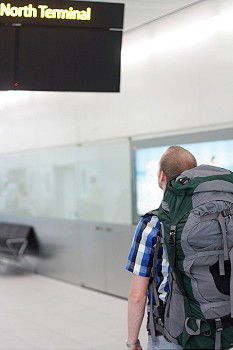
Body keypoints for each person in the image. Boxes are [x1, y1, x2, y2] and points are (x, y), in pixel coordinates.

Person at [125, 145, 197, 350]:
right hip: (215, 328)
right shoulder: (218, 219)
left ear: (162, 176)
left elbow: (137, 296)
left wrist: (132, 342)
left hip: (170, 331)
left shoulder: (153, 224)